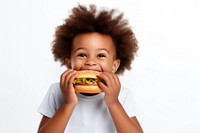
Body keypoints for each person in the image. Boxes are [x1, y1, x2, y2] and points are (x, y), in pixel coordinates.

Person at [37, 4, 143, 133]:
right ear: (69, 63)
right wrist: (68, 103)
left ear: (114, 66)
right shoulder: (57, 91)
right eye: (82, 55)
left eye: (100, 55)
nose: (91, 62)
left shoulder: (122, 94)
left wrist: (114, 103)